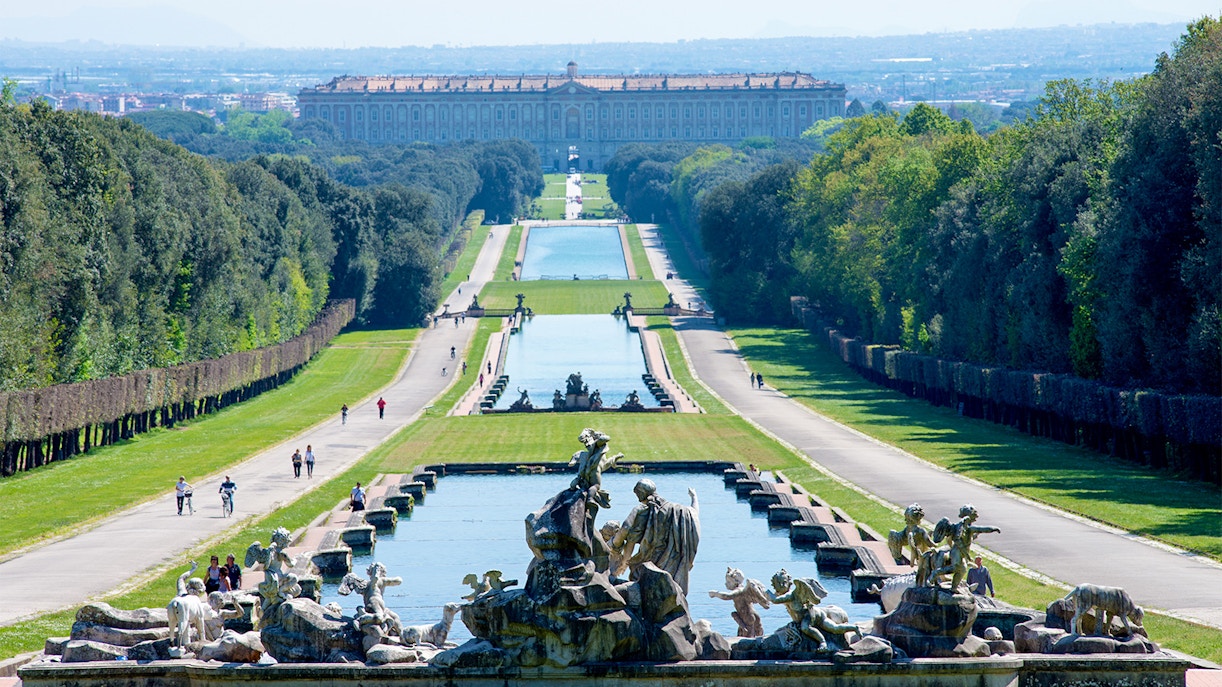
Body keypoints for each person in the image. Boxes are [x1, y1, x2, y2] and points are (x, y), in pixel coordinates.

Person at [610, 478, 701, 593]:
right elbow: (694, 513)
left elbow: (630, 538)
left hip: (651, 561)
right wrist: (694, 497)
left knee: (639, 583)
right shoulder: (677, 510)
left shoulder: (643, 511)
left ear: (641, 494)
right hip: (673, 563)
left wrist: (624, 562)